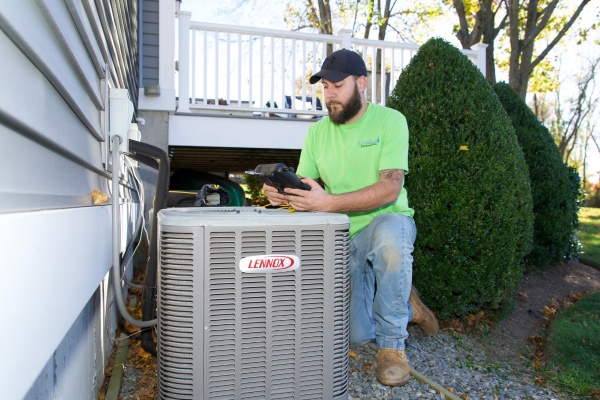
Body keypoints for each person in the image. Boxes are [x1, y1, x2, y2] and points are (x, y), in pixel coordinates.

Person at [263, 48, 439, 387]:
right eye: (325, 87)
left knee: (389, 242)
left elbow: (389, 189)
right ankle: (406, 300)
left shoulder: (391, 121)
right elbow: (307, 197)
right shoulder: (317, 133)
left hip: (388, 222)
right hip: (343, 237)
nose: (329, 95)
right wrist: (282, 199)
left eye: (337, 86)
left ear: (361, 83)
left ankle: (392, 348)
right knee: (356, 335)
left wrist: (328, 203)